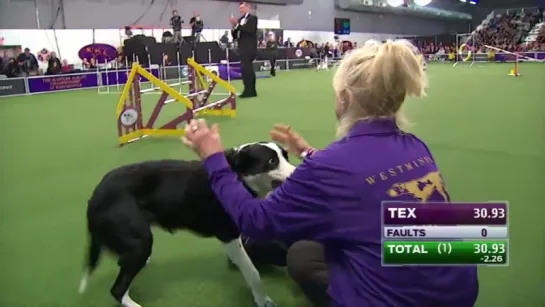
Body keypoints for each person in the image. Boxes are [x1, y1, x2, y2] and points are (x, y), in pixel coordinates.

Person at [181, 39, 479, 307]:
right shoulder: (415, 145)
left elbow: (254, 220)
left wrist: (214, 159)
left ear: (346, 98)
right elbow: (365, 184)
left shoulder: (331, 166)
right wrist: (310, 154)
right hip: (460, 292)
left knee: (298, 254)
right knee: (310, 249)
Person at [230, 1, 258, 98]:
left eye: (243, 8)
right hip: (241, 47)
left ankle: (250, 90)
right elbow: (235, 35)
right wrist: (234, 28)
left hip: (249, 48)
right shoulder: (240, 20)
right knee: (245, 69)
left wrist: (237, 25)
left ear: (248, 8)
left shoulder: (253, 19)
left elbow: (250, 31)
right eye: (240, 8)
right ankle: (249, 89)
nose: (241, 10)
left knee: (247, 68)